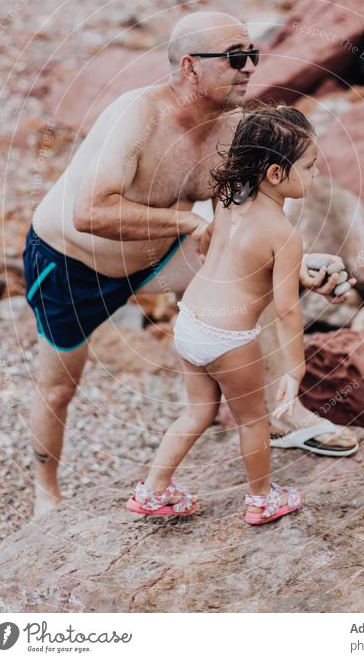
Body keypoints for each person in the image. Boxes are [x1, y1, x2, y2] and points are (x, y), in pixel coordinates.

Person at [23, 11, 357, 518]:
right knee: (59, 386)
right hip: (71, 263)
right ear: (189, 66)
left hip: (153, 258)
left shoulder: (233, 130)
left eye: (253, 56)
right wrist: (186, 225)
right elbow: (89, 212)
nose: (248, 68)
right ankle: (45, 491)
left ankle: (287, 415)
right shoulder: (138, 115)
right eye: (235, 58)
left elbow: (248, 221)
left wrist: (300, 264)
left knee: (253, 284)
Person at [126, 105, 319, 524]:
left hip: (190, 322)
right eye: (310, 166)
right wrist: (295, 370)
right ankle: (262, 499)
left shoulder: (229, 203)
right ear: (275, 174)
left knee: (198, 411)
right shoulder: (284, 235)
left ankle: (152, 491)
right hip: (228, 339)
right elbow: (286, 309)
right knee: (253, 420)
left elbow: (218, 246)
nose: (316, 174)